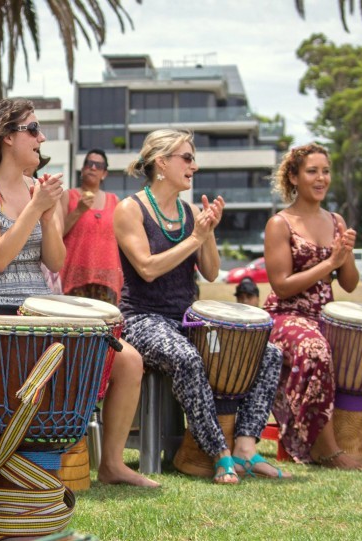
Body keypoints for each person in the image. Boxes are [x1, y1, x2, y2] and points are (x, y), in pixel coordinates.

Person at [0, 98, 157, 487]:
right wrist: (37, 208)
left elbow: (54, 260)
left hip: (37, 306)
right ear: (7, 137)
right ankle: (10, 464)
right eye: (32, 130)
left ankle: (111, 464)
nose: (41, 137)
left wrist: (48, 216)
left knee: (128, 360)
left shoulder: (38, 188)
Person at [115, 128, 290, 484]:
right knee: (186, 357)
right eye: (188, 158)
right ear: (162, 163)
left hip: (186, 320)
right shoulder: (129, 209)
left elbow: (210, 272)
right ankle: (218, 452)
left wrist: (207, 232)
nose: (194, 166)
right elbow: (147, 269)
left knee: (268, 353)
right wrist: (196, 236)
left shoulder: (190, 210)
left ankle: (244, 446)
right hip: (142, 320)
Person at [263, 143, 362, 470]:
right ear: (293, 177)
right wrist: (329, 263)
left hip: (325, 316)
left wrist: (345, 254)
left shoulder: (335, 220)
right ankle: (329, 452)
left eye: (325, 171)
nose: (321, 178)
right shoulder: (280, 223)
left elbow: (349, 283)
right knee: (315, 350)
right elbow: (281, 285)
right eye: (312, 171)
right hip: (286, 316)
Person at [59, 149, 122, 304]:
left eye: (99, 165)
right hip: (74, 277)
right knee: (75, 325)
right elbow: (57, 234)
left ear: (104, 174)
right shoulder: (68, 196)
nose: (93, 168)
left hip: (108, 278)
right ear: (82, 169)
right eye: (89, 163)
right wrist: (78, 211)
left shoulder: (115, 201)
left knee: (107, 325)